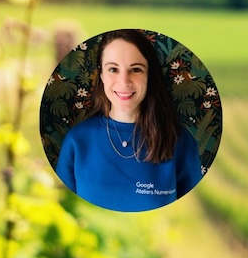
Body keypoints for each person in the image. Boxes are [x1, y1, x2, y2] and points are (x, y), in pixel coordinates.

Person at [55, 29, 203, 212]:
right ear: (101, 76)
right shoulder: (77, 141)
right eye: (113, 69)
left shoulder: (180, 141)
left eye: (136, 70)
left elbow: (188, 216)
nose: (124, 81)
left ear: (150, 76)